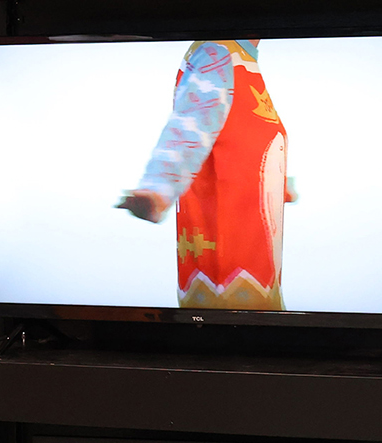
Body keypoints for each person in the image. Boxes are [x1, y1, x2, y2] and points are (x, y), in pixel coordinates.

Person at [117, 38, 294, 311]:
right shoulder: (216, 54)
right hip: (225, 280)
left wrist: (280, 185)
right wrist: (157, 189)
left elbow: (244, 142)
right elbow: (189, 127)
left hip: (257, 261)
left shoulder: (243, 60)